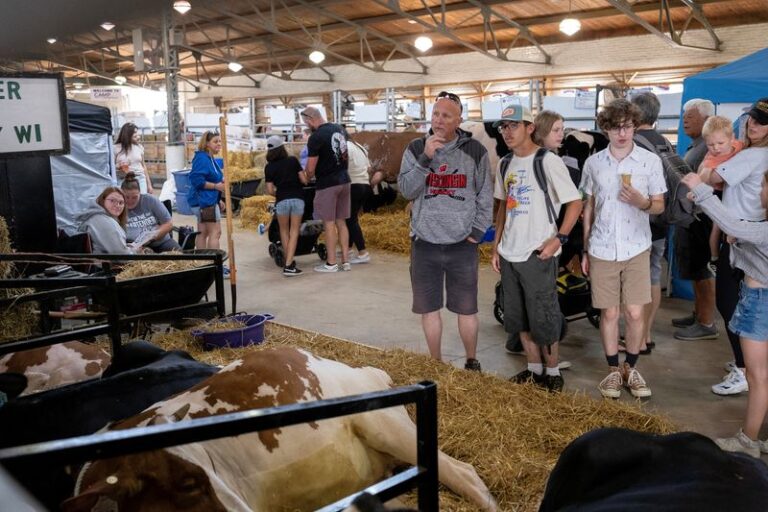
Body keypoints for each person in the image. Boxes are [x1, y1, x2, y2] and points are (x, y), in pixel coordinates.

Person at [398, 91, 493, 371]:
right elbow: (407, 190)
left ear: (459, 120)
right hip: (424, 241)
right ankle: (436, 362)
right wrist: (426, 159)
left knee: (467, 308)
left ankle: (472, 360)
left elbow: (485, 196)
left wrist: (477, 232)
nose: (439, 121)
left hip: (462, 244)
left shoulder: (475, 151)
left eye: (446, 116)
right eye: (436, 114)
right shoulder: (416, 148)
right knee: (429, 308)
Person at [491, 106, 583, 392]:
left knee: (544, 314)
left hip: (537, 252)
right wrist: (496, 248)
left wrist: (560, 239)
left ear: (530, 127)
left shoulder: (547, 161)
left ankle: (553, 371)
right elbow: (503, 209)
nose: (507, 132)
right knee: (517, 314)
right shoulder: (504, 164)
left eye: (513, 125)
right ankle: (533, 368)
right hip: (509, 252)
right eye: (503, 127)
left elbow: (575, 202)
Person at [580, 99, 666, 399]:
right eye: (615, 128)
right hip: (602, 246)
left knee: (633, 311)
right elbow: (588, 206)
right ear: (605, 129)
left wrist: (642, 202)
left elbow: (659, 205)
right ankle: (613, 371)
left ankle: (631, 367)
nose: (622, 134)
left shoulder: (649, 161)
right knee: (609, 313)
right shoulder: (593, 164)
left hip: (637, 246)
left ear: (634, 126)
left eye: (627, 127)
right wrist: (585, 248)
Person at [681, 170, 768, 457]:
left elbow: (734, 224)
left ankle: (748, 441)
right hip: (757, 298)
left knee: (757, 377)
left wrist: (702, 190)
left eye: (763, 186)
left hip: (760, 302)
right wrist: (737, 241)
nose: (759, 193)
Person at [701, 98, 768, 396]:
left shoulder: (753, 156)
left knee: (731, 303)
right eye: (752, 118)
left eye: (761, 122)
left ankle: (745, 369)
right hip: (741, 232)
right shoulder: (748, 151)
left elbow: (713, 177)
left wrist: (702, 173)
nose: (753, 125)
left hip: (741, 235)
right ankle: (748, 366)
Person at [629, 91, 675, 355]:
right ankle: (646, 334)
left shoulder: (634, 143)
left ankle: (636, 338)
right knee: (653, 274)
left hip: (640, 220)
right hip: (662, 219)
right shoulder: (665, 143)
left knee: (637, 279)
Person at [672, 99, 718, 341]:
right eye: (684, 116)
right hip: (690, 217)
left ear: (705, 119)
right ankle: (699, 314)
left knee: (702, 271)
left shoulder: (707, 149)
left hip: (699, 218)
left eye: (690, 116)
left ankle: (707, 323)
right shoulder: (695, 146)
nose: (685, 120)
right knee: (695, 269)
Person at [299, 106, 352, 273]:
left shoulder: (316, 137)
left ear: (309, 120)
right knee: (341, 222)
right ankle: (345, 261)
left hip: (328, 183)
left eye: (305, 123)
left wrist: (306, 177)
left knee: (328, 224)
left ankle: (331, 263)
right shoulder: (339, 129)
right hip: (344, 180)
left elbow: (311, 167)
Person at [264, 135, 307, 276]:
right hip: (297, 199)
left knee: (284, 231)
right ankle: (289, 265)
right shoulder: (293, 161)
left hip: (281, 200)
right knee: (295, 231)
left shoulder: (269, 167)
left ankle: (289, 262)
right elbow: (304, 180)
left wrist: (281, 192)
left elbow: (270, 190)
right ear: (282, 147)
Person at [187, 131, 227, 273]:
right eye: (216, 141)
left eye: (220, 142)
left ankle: (203, 264)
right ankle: (215, 265)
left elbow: (212, 179)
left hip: (207, 201)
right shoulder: (202, 159)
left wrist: (218, 200)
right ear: (207, 143)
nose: (219, 144)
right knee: (215, 232)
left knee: (202, 232)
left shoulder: (209, 158)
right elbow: (197, 181)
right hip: (204, 202)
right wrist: (216, 187)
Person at [120, 172, 180, 253]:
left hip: (160, 242)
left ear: (140, 193)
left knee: (180, 255)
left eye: (134, 197)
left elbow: (168, 223)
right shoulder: (118, 205)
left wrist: (155, 235)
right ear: (121, 195)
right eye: (127, 197)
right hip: (133, 247)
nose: (130, 201)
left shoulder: (150, 200)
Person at [76, 187, 132, 254]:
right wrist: (134, 251)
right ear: (103, 200)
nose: (117, 205)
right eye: (112, 201)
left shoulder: (99, 218)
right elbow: (121, 255)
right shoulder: (101, 220)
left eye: (121, 202)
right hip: (99, 264)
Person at [345, 131, 372, 264]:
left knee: (350, 219)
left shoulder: (345, 147)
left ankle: (362, 252)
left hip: (353, 185)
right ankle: (348, 248)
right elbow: (368, 168)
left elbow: (342, 167)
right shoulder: (359, 147)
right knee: (350, 218)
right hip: (365, 185)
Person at [115, 123, 152, 194]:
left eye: (137, 132)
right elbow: (111, 167)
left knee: (141, 201)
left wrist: (149, 185)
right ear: (127, 134)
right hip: (121, 179)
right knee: (123, 202)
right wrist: (118, 166)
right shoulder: (116, 148)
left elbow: (143, 166)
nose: (138, 135)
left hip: (139, 178)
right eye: (135, 132)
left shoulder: (139, 147)